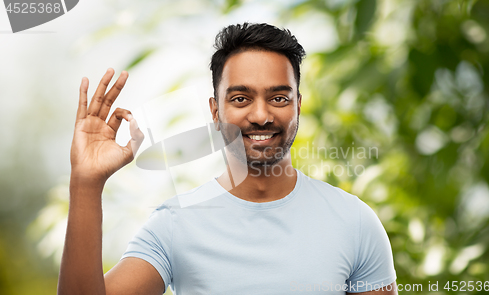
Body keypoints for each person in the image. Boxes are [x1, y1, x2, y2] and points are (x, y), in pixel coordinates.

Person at [58, 23, 398, 295]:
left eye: (279, 97)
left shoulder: (355, 223)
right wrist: (86, 183)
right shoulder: (175, 225)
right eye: (240, 98)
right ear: (215, 111)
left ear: (298, 105)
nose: (261, 115)